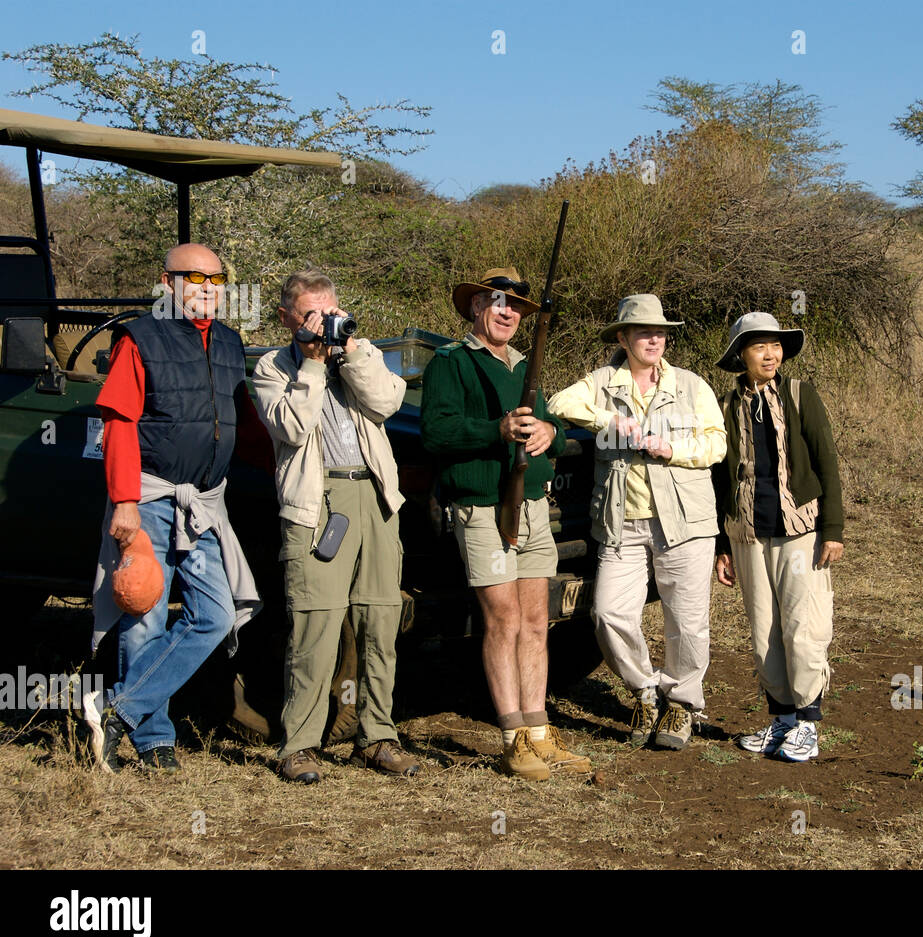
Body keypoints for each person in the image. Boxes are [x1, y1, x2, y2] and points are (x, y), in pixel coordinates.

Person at [86, 243, 261, 773]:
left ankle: (119, 708)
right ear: (168, 281)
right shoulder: (141, 337)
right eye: (195, 278)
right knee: (144, 614)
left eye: (217, 279)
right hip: (151, 499)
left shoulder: (230, 343)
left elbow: (244, 424)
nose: (208, 288)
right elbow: (117, 423)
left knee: (216, 615)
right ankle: (154, 739)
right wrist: (125, 502)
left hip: (204, 505)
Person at [251, 268, 420, 784]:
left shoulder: (358, 351)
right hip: (316, 503)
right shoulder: (271, 367)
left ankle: (378, 735)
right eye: (312, 314)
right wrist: (312, 364)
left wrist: (346, 352)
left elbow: (389, 401)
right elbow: (291, 426)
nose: (326, 322)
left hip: (375, 496)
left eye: (332, 310)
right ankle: (298, 745)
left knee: (380, 621)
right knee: (315, 624)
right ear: (286, 317)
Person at [421, 267, 590, 780]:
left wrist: (550, 433)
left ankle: (539, 733)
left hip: (534, 507)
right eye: (497, 302)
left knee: (537, 622)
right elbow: (437, 433)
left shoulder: (523, 367)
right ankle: (512, 739)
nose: (508, 312)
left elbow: (551, 432)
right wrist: (494, 429)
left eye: (516, 306)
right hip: (481, 507)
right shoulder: (450, 363)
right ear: (475, 307)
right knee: (504, 620)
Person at [549, 294, 726, 749]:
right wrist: (610, 419)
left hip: (685, 522)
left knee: (686, 621)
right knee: (609, 613)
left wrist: (674, 450)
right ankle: (646, 691)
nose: (654, 339)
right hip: (620, 523)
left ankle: (683, 706)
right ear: (623, 338)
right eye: (644, 332)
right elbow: (558, 404)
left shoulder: (692, 385)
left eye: (660, 332)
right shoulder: (604, 382)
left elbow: (717, 444)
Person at [713, 312, 843, 762]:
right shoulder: (727, 406)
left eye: (775, 345)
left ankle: (808, 723)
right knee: (764, 629)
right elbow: (719, 477)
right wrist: (721, 544)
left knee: (804, 626)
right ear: (740, 356)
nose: (770, 354)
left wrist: (834, 530)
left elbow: (827, 460)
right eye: (758, 347)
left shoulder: (800, 394)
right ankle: (782, 719)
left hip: (799, 529)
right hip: (748, 531)